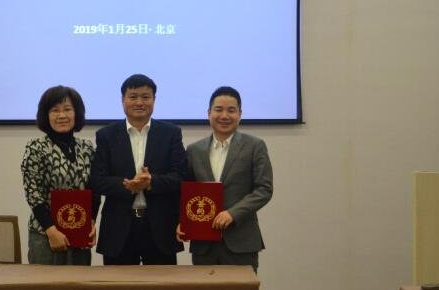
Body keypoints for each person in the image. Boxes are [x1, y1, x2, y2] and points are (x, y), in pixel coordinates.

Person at [90, 74, 186, 265]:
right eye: (133, 97)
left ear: (154, 100)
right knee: (117, 284)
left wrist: (151, 183)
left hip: (160, 227)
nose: (139, 102)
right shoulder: (106, 135)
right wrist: (128, 185)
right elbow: (97, 180)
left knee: (163, 284)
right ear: (123, 100)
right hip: (118, 229)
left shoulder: (171, 133)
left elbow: (181, 176)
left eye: (145, 97)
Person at [177, 86, 273, 271]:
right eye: (218, 109)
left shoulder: (255, 146)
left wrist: (232, 214)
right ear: (209, 113)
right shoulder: (194, 150)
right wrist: (183, 221)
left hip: (241, 241)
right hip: (203, 244)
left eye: (231, 110)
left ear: (240, 114)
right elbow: (186, 192)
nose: (224, 116)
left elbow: (264, 189)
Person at [21, 85, 99, 265]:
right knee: (45, 284)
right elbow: (33, 193)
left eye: (67, 109)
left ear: (76, 113)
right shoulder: (36, 148)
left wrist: (91, 222)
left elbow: (95, 189)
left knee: (80, 283)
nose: (61, 115)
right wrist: (51, 231)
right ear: (46, 115)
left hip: (80, 234)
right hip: (46, 235)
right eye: (55, 110)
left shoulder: (87, 148)